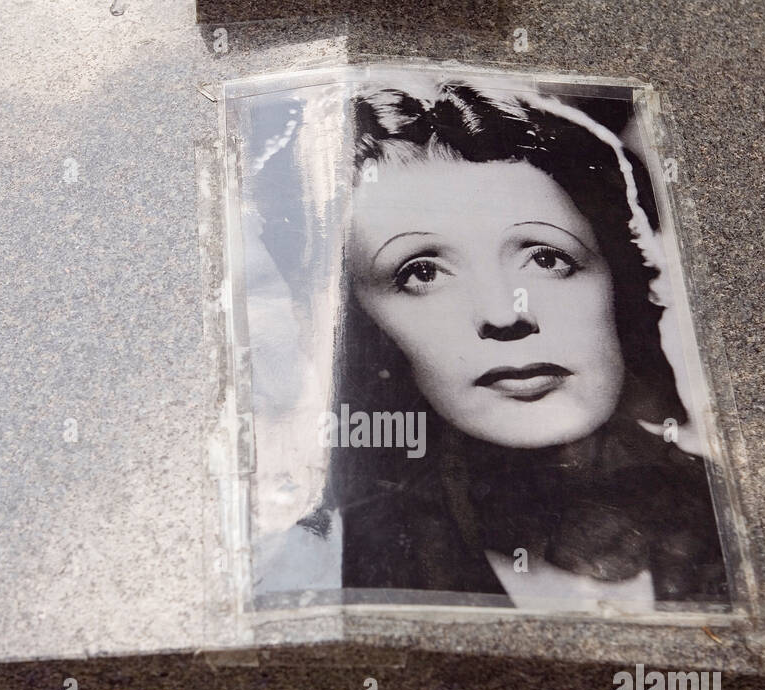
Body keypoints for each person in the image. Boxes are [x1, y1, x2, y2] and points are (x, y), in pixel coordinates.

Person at [261, 77, 730, 609]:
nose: (505, 313)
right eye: (421, 272)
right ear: (355, 324)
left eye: (547, 258)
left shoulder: (743, 520)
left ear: (619, 280)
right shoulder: (319, 575)